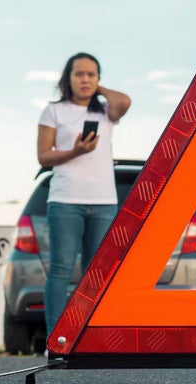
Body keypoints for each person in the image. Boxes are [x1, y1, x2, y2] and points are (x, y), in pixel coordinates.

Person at [37, 52, 131, 341]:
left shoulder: (104, 112)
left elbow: (124, 102)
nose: (85, 79)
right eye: (79, 74)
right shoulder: (54, 111)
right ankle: (57, 339)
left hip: (103, 201)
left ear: (99, 78)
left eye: (91, 74)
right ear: (68, 78)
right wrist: (76, 151)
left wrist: (96, 90)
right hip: (66, 200)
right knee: (62, 269)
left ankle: (88, 338)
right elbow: (44, 156)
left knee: (95, 275)